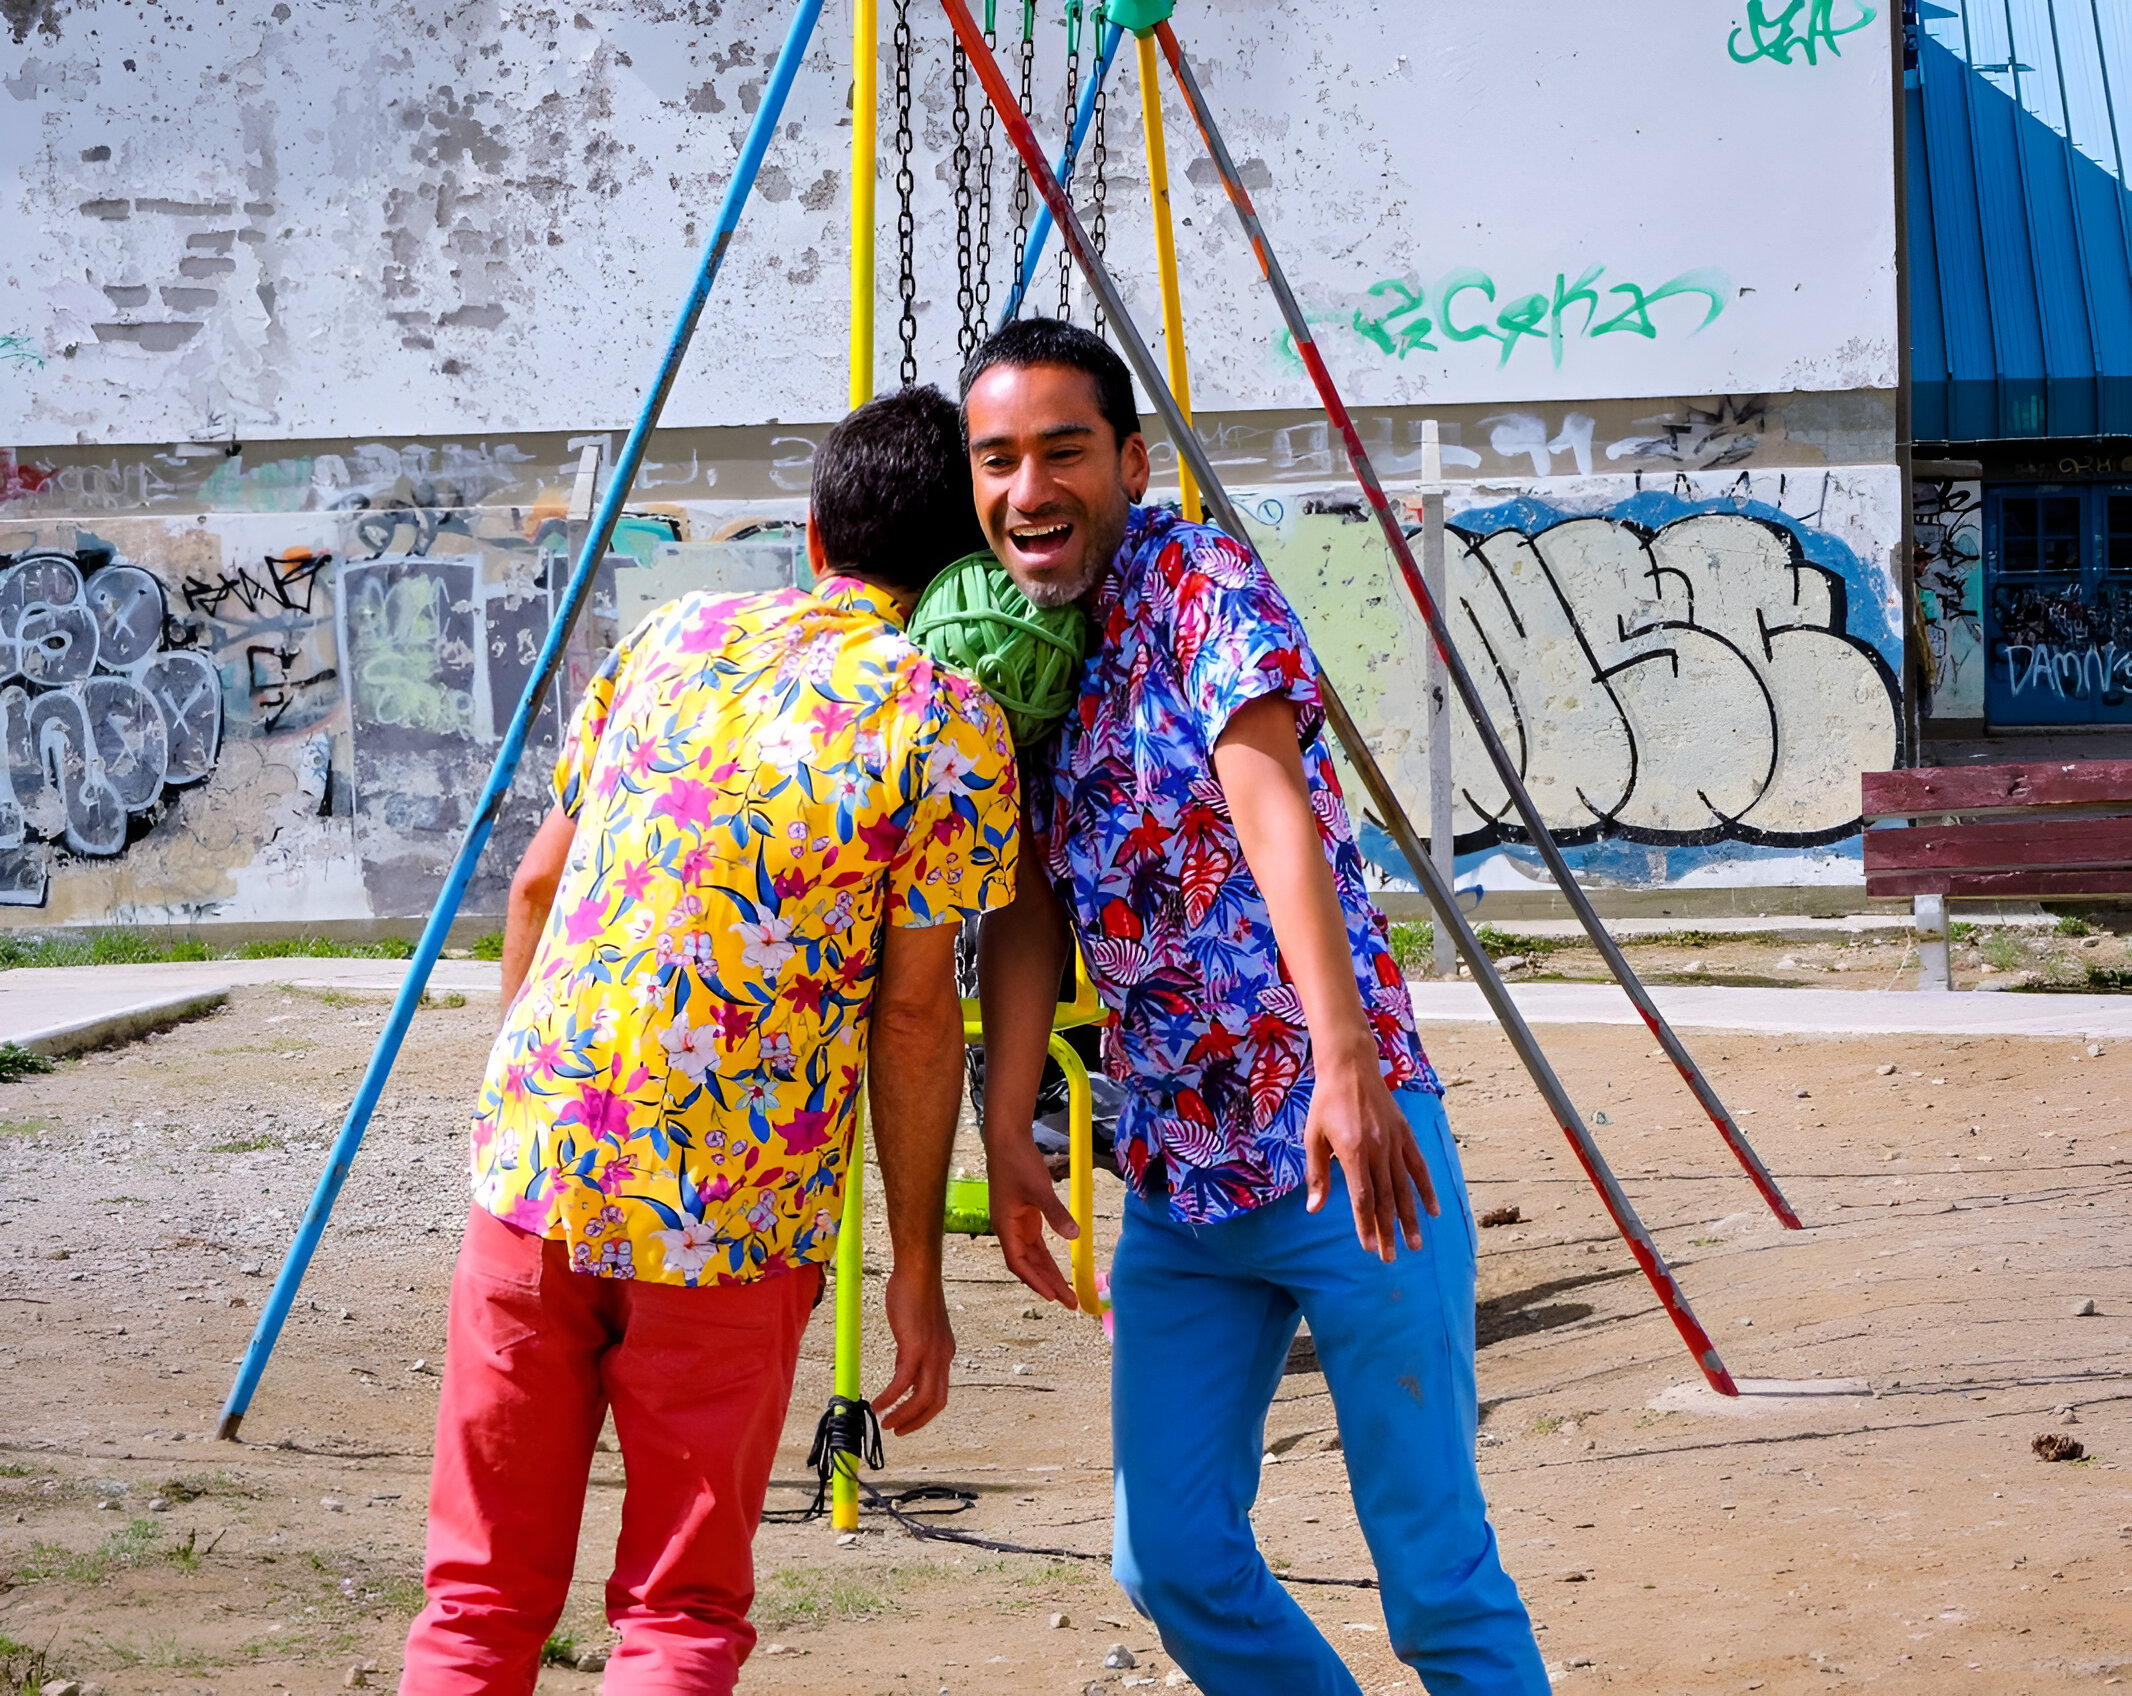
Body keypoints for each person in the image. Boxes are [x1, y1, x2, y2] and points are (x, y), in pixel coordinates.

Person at [400, 385, 1019, 1695]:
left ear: (809, 536)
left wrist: (524, 1110)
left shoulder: (672, 638)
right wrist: (916, 1267)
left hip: (538, 1178)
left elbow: (532, 890)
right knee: (677, 1614)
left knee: (477, 1603)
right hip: (731, 1224)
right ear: (966, 569)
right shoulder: (948, 726)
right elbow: (914, 1020)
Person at [964, 319, 1547, 1696]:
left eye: (1062, 451)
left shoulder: (1198, 578)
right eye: (998, 460)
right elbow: (1029, 905)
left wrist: (1346, 1060)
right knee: (1168, 1558)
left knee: (1434, 1573)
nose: (1029, 489)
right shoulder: (1018, 658)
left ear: (1130, 461)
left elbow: (1266, 795)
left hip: (1352, 1155)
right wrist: (1003, 1132)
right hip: (1180, 1178)